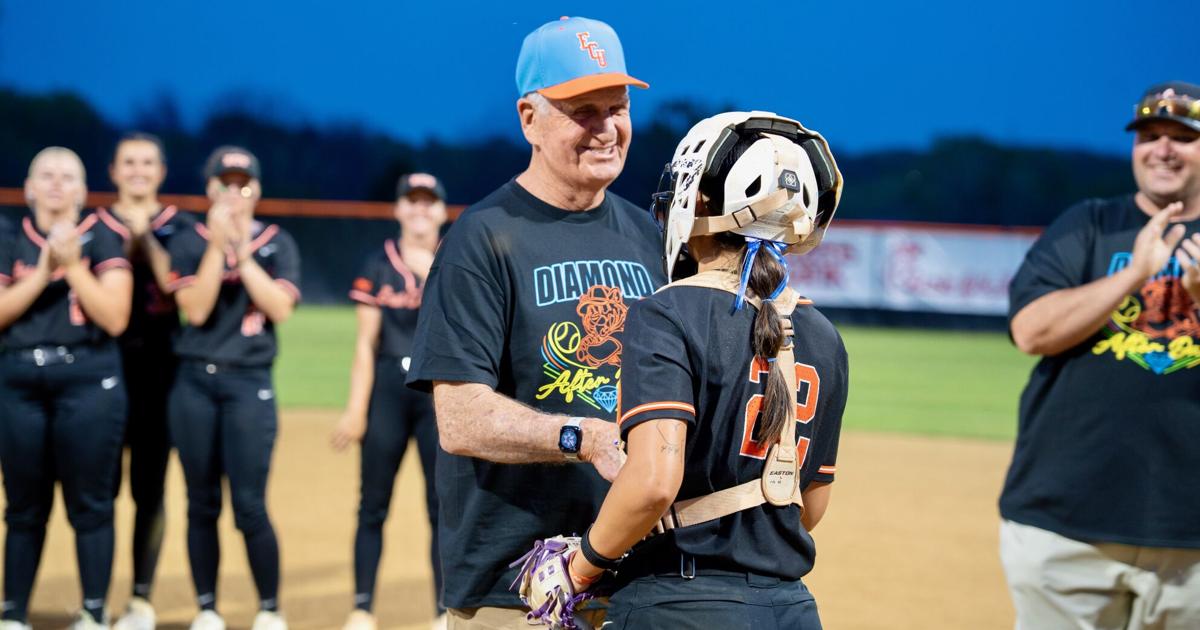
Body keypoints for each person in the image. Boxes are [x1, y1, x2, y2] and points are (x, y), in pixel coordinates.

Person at [517, 111, 847, 629]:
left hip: (680, 605)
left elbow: (652, 482)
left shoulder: (666, 312)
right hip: (791, 609)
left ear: (702, 202)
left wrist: (580, 570)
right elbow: (807, 507)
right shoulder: (824, 334)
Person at [405, 15, 666, 629]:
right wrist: (585, 437)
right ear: (530, 118)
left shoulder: (650, 237)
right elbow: (461, 418)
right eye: (583, 111)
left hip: (635, 579)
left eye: (617, 107)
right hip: (516, 588)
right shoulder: (483, 239)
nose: (607, 129)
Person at [1002, 81, 1200, 628]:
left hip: (1193, 541)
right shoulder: (1089, 225)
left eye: (1181, 136)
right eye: (1149, 135)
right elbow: (1031, 331)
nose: (1162, 148)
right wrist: (1134, 274)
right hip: (1066, 529)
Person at [166, 146, 300, 630]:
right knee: (200, 500)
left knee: (249, 504)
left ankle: (268, 608)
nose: (234, 192)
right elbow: (196, 311)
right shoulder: (186, 240)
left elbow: (279, 309)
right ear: (209, 190)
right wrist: (213, 247)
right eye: (225, 183)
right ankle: (207, 608)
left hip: (249, 384)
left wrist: (240, 253)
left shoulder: (276, 242)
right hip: (195, 384)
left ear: (257, 190)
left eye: (243, 183)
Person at [0, 147, 134, 629]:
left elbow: (116, 317)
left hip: (88, 380)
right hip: (19, 381)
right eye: (46, 175)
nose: (56, 183)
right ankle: (13, 613)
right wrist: (42, 270)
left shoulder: (104, 236)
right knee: (23, 506)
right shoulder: (8, 235)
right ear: (29, 187)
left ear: (82, 190)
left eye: (68, 176)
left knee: (91, 503)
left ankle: (93, 613)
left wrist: (73, 266)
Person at [333, 173, 448, 630]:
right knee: (372, 504)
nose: (420, 210)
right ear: (398, 209)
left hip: (439, 393)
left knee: (441, 506)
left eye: (428, 202)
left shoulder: (455, 260)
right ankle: (362, 608)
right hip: (386, 391)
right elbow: (365, 343)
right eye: (411, 201)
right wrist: (355, 409)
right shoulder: (378, 263)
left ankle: (444, 611)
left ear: (442, 210)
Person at [95, 132, 195, 630]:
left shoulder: (182, 228)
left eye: (148, 162)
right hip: (99, 373)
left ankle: (139, 598)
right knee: (98, 490)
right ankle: (95, 599)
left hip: (161, 373)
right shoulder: (93, 227)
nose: (138, 170)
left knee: (150, 490)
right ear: (112, 171)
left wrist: (144, 239)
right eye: (128, 162)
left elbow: (187, 296)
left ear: (161, 171)